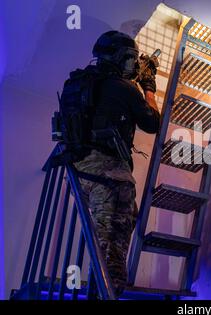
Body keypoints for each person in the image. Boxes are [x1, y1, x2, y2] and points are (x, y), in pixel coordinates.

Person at [60, 30, 161, 297]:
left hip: (81, 173)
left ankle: (98, 289)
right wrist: (149, 87)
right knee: (113, 252)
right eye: (130, 59)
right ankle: (103, 293)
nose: (132, 65)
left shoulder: (83, 82)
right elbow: (152, 121)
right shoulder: (122, 88)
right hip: (108, 178)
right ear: (119, 58)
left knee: (111, 233)